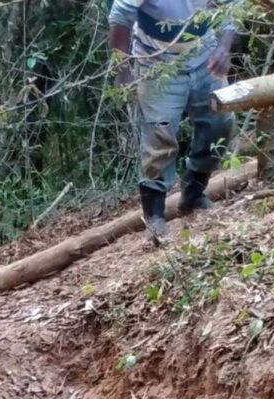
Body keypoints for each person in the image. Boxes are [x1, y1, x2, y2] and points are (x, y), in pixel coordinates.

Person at [109, 0, 237, 241]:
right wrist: (122, 69)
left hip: (205, 53)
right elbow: (120, 15)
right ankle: (154, 216)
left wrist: (224, 48)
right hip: (155, 61)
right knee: (160, 134)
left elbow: (232, 7)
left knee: (220, 123)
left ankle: (193, 194)